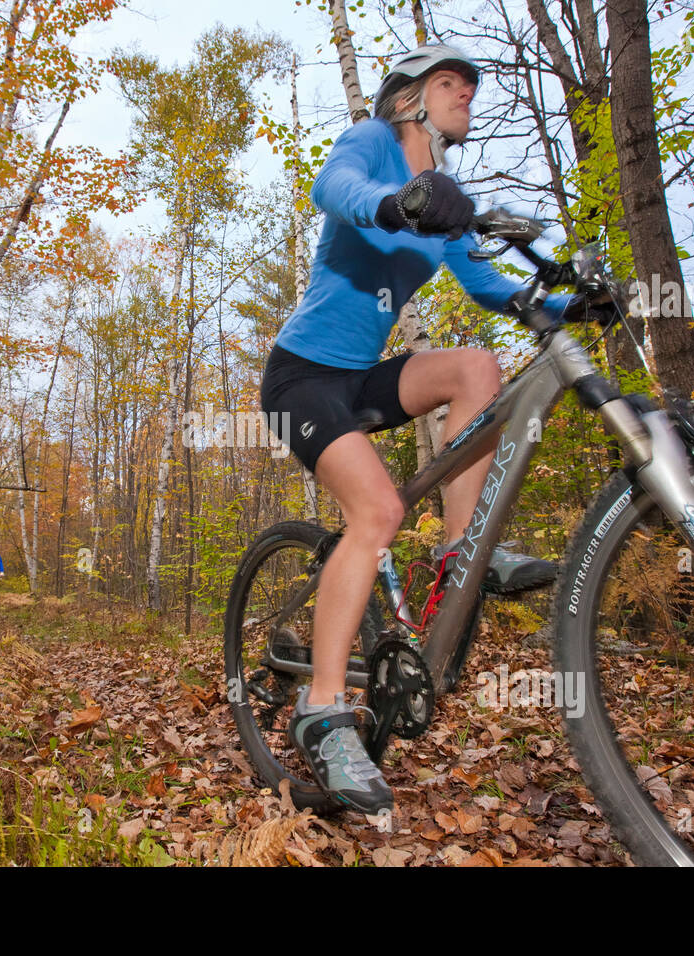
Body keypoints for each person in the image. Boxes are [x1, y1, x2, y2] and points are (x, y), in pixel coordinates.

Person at [261, 44, 602, 814]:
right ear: (408, 98)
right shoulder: (374, 146)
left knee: (477, 367)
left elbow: (488, 286)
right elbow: (333, 187)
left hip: (362, 377)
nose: (467, 101)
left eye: (471, 92)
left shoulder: (450, 198)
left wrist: (562, 307)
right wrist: (396, 203)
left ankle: (459, 552)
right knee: (378, 512)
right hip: (300, 380)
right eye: (454, 86)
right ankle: (321, 707)